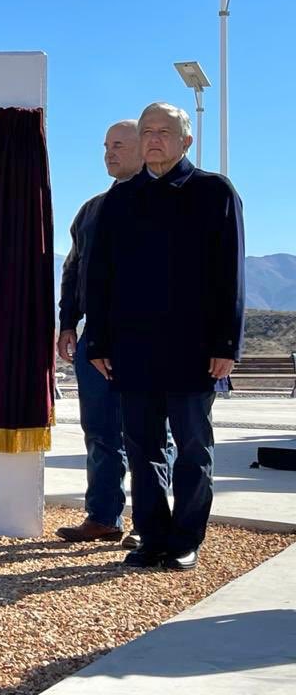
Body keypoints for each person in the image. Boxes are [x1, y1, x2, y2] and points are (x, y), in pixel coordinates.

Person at [86, 102, 245, 571]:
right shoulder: (119, 200)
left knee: (193, 448)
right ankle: (152, 536)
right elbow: (99, 276)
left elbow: (230, 274)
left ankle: (185, 540)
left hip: (195, 350)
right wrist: (98, 343)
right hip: (132, 349)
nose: (154, 139)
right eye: (147, 131)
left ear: (186, 141)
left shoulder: (214, 192)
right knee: (142, 446)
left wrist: (227, 345)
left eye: (165, 132)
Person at [55, 121, 142, 546]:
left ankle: (150, 524)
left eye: (119, 145)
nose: (109, 153)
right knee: (99, 430)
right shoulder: (90, 210)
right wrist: (68, 322)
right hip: (95, 339)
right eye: (106, 146)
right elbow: (73, 272)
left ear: (146, 147)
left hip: (145, 337)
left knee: (147, 432)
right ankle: (103, 516)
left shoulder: (162, 206)